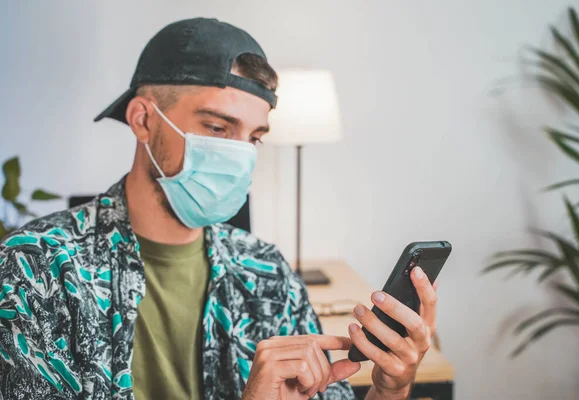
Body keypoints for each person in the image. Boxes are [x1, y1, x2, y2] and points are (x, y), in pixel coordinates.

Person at [0, 17, 439, 400]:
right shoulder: (36, 270)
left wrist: (389, 389)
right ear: (142, 119)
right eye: (216, 127)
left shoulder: (266, 273)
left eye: (254, 137)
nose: (240, 155)